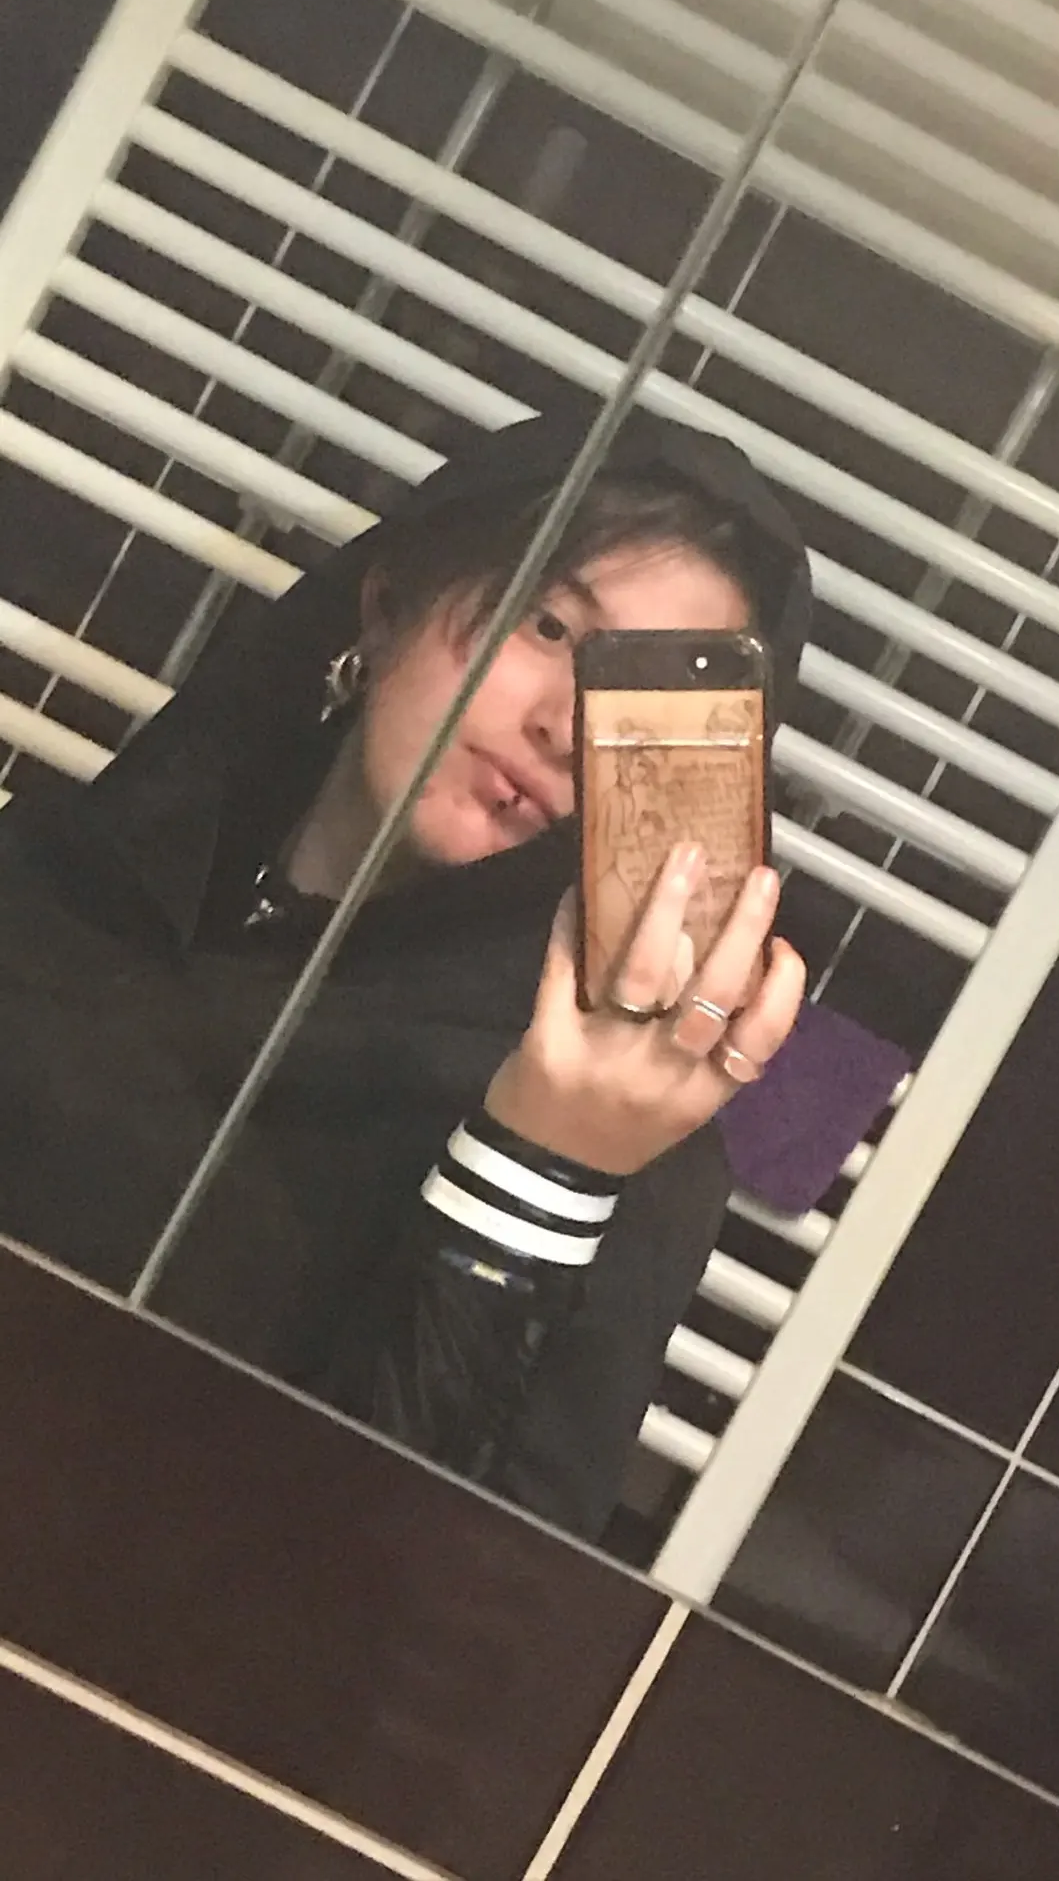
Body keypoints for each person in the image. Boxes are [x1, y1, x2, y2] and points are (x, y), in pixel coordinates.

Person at [0, 410, 812, 1541]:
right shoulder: (50, 883)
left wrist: (543, 1171)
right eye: (548, 626)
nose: (563, 726)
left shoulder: (616, 1148)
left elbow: (407, 1596)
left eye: (635, 709)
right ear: (386, 607)